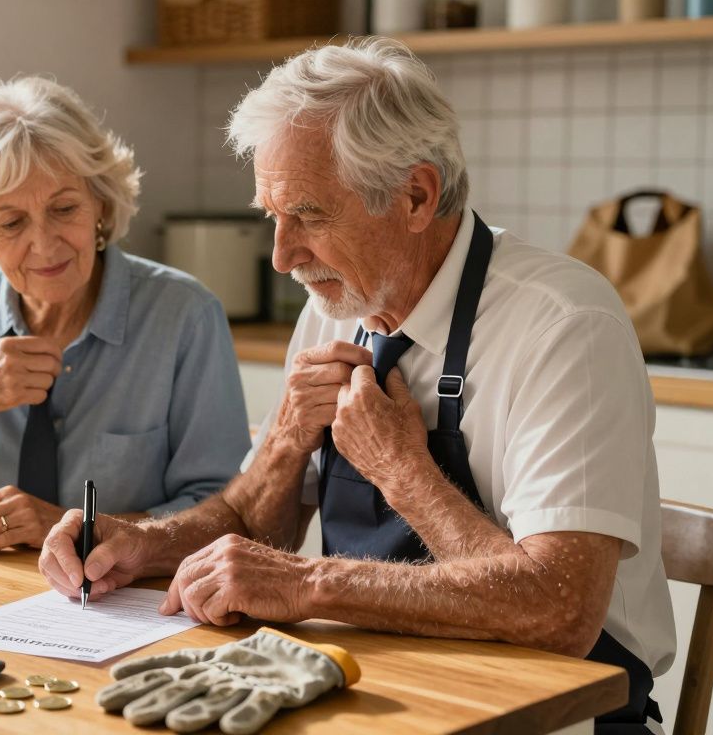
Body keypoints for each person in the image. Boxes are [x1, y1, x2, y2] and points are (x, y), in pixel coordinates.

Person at [39, 39, 673, 734]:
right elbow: (258, 521)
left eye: (309, 215)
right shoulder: (335, 306)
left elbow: (558, 610)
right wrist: (148, 540)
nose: (282, 256)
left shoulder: (563, 327)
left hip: (556, 717)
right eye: (272, 217)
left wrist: (395, 479)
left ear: (416, 196)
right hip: (384, 694)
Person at [0, 76, 250, 558]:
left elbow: (225, 515)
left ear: (100, 202)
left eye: (64, 208)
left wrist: (77, 528)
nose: (45, 244)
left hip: (132, 604)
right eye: (12, 222)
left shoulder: (185, 316)